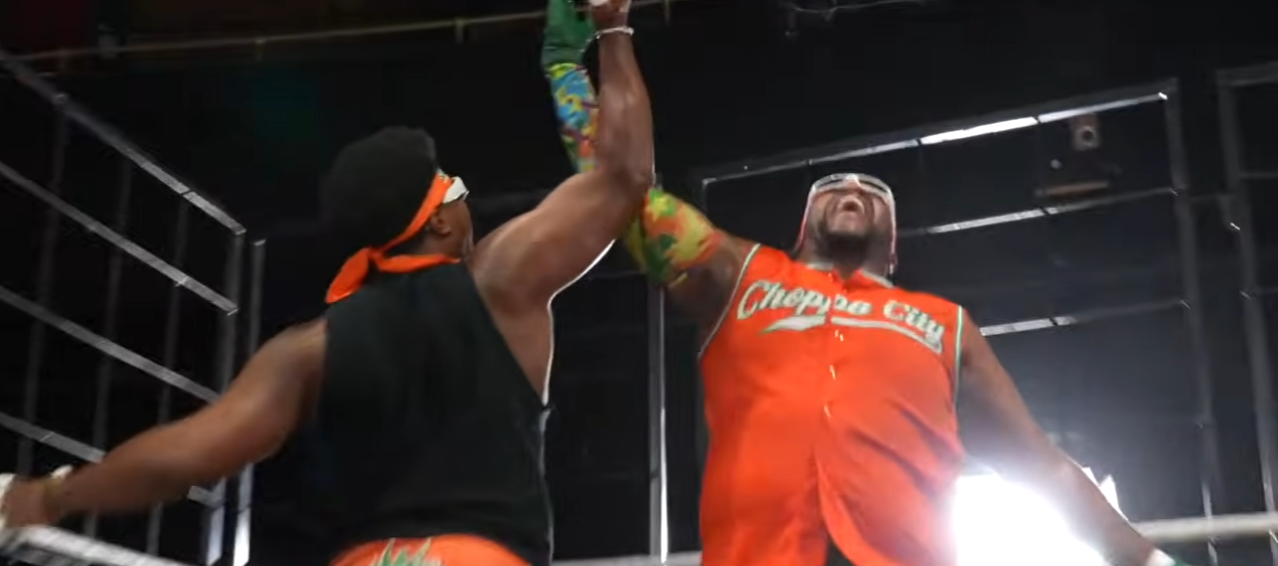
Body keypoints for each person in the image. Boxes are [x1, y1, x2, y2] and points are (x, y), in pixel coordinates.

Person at [0, 2, 652, 566]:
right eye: (456, 189)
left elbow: (187, 457)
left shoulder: (309, 349)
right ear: (439, 221)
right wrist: (612, 30)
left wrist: (47, 496)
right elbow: (625, 176)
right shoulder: (503, 281)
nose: (467, 201)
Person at [540, 12, 1193, 566]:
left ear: (895, 242)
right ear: (801, 227)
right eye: (831, 188)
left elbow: (1041, 466)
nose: (852, 189)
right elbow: (623, 192)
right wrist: (582, 55)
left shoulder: (945, 324)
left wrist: (1152, 561)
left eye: (872, 191)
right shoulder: (741, 276)